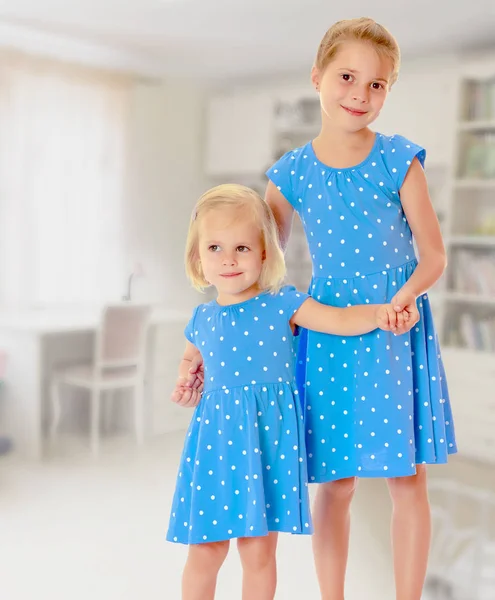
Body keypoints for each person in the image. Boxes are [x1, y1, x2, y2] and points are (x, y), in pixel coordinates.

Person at [263, 17, 458, 600]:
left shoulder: (400, 159)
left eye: (377, 85)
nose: (360, 94)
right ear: (318, 77)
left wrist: (401, 301)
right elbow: (266, 270)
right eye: (348, 77)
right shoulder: (290, 172)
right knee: (338, 485)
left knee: (406, 481)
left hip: (394, 330)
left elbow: (434, 256)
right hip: (326, 334)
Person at [167, 183, 412, 600]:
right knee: (204, 553)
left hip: (264, 445)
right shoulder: (202, 319)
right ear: (197, 258)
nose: (228, 259)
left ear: (265, 253)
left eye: (242, 247)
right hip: (216, 448)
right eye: (214, 248)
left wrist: (382, 314)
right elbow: (189, 365)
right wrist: (186, 384)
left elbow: (340, 319)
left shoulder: (282, 304)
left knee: (258, 552)